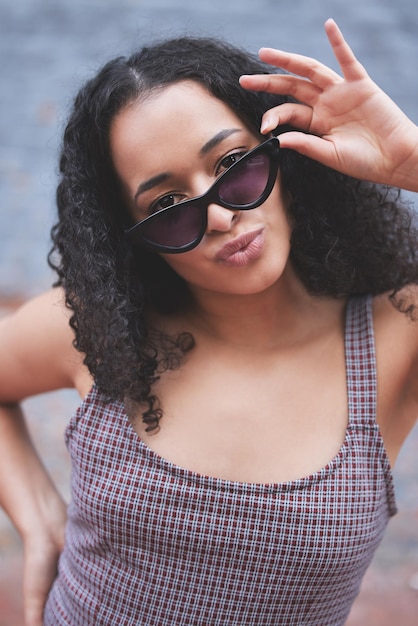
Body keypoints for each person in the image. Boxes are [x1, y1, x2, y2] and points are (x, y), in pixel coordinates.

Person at [0, 17, 417, 626]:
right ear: (137, 242)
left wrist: (412, 164)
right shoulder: (95, 328)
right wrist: (35, 511)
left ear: (287, 156)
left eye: (233, 166)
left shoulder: (396, 333)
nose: (220, 216)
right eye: (166, 207)